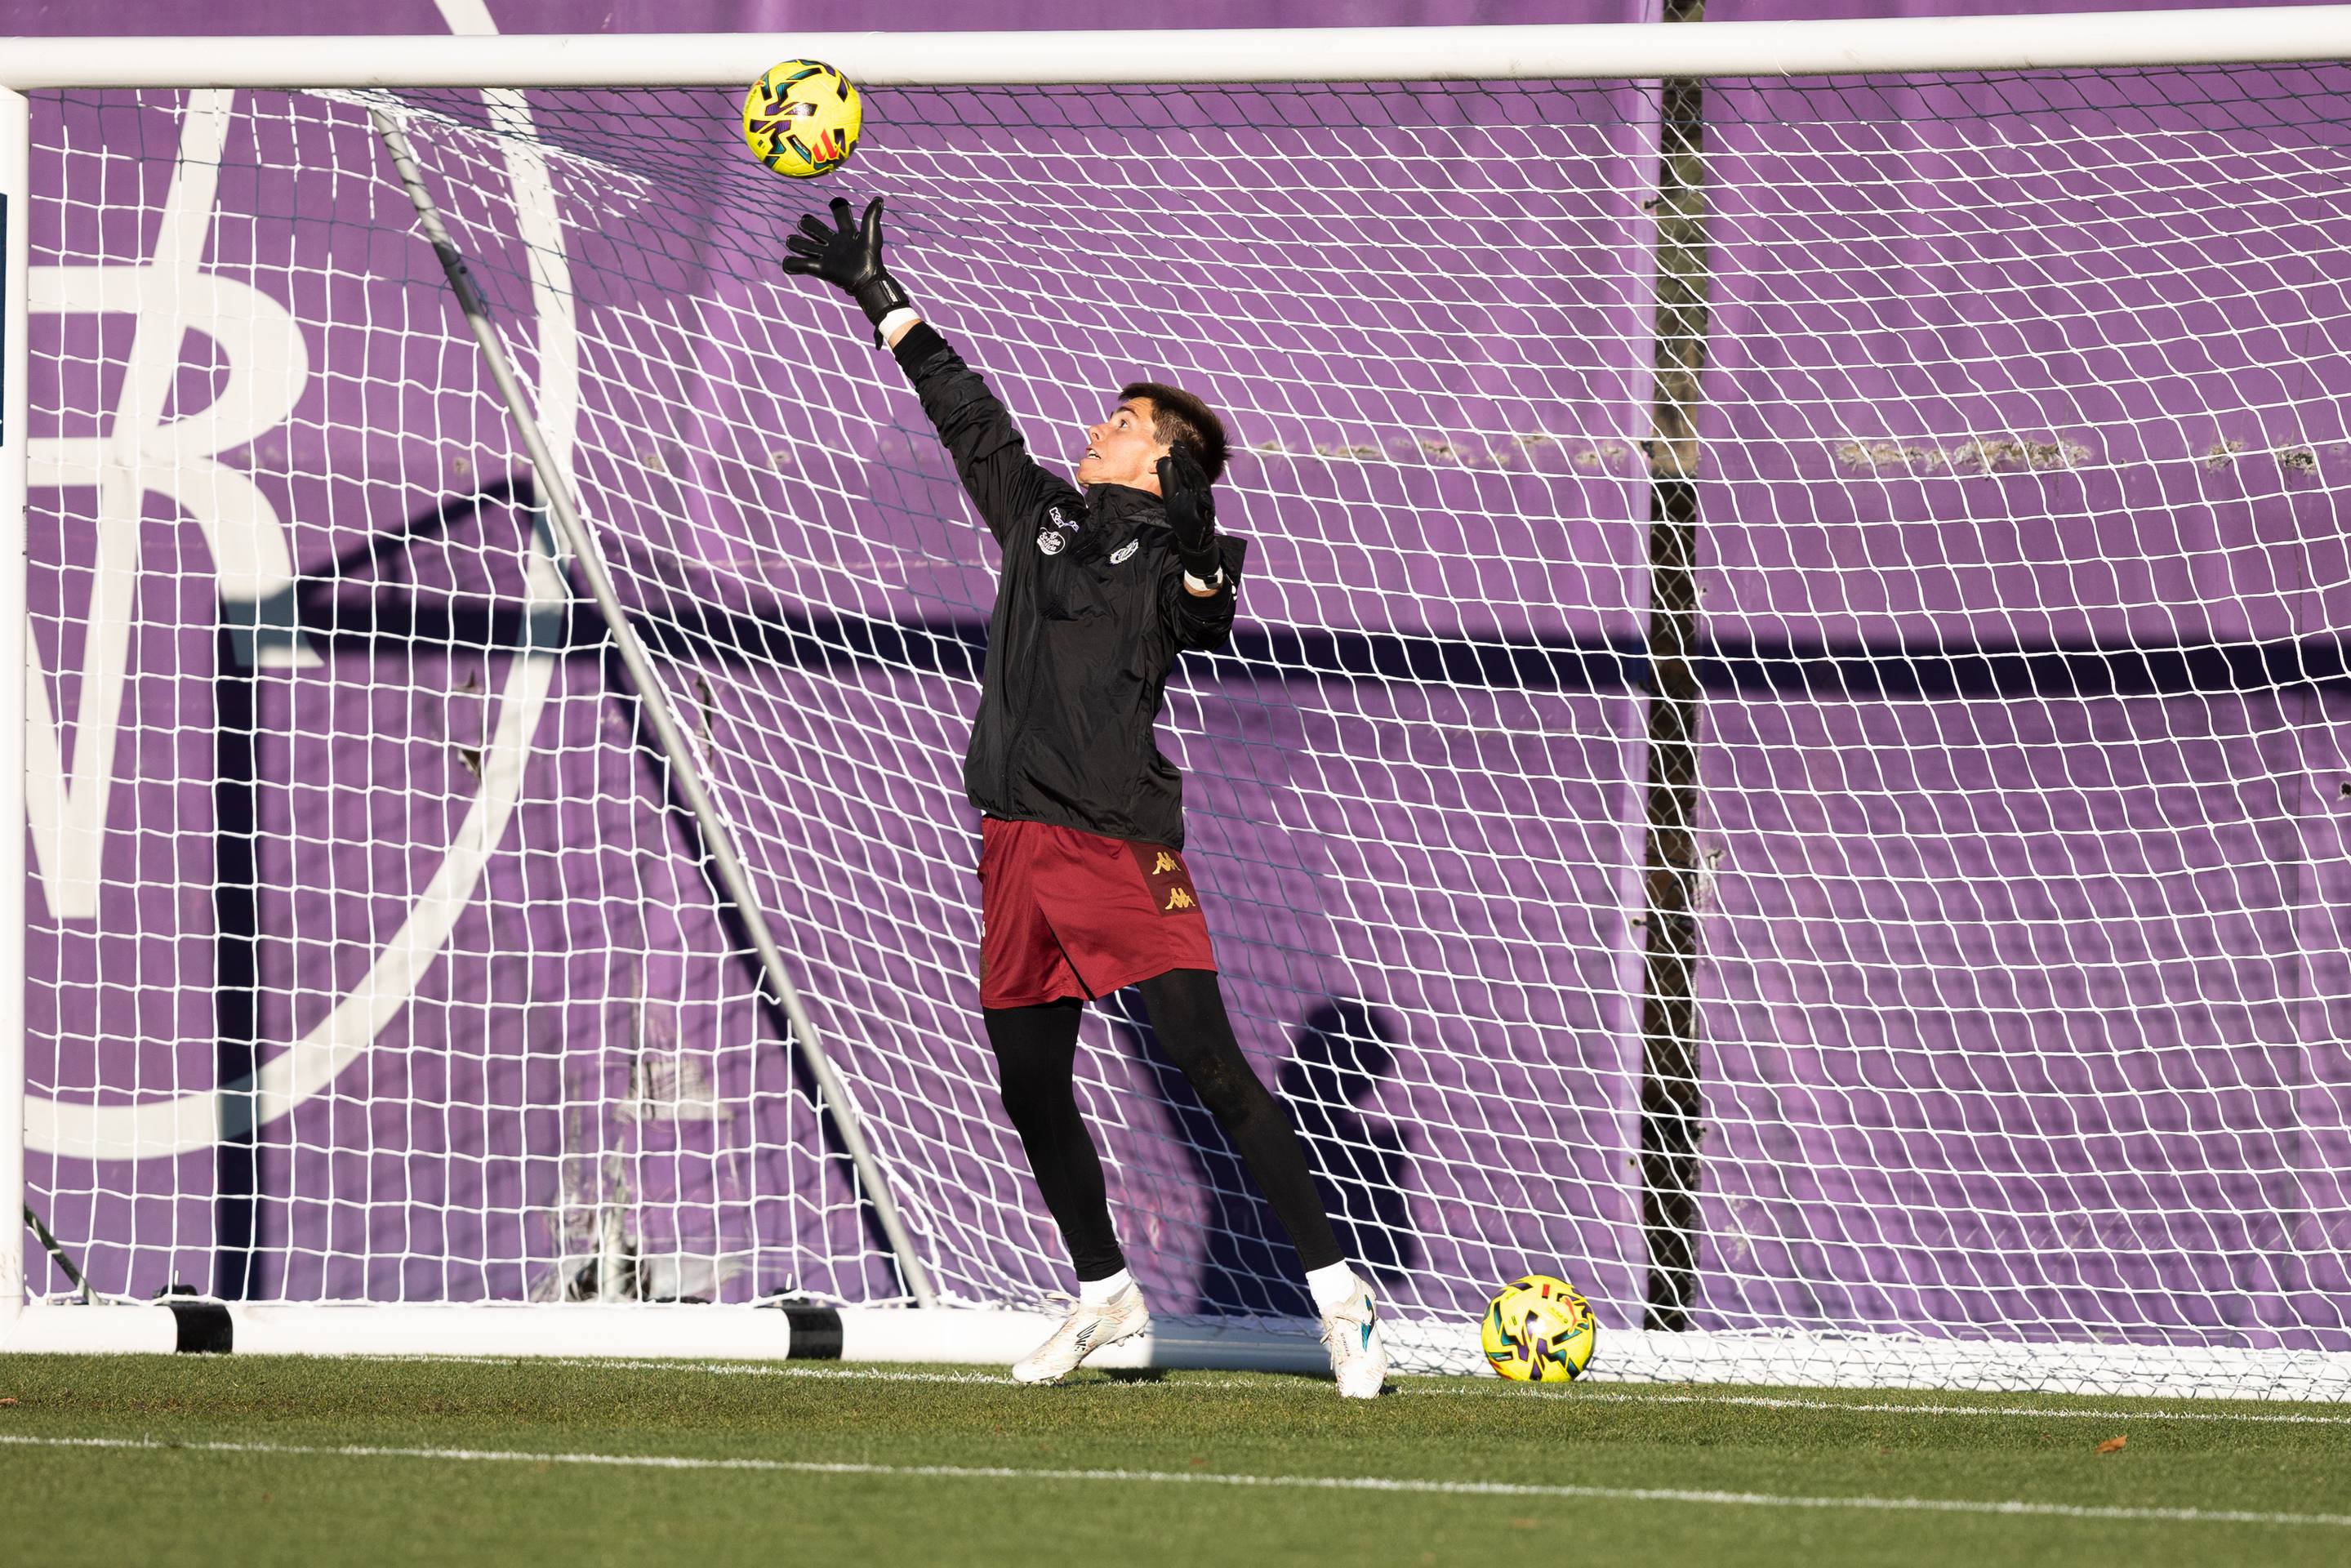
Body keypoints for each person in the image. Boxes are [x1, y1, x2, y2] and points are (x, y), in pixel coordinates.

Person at [783, 196, 1386, 1398]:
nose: (1095, 429)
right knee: (1027, 1083)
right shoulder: (1044, 516)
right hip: (1013, 845)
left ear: (1160, 461)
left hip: (1116, 851)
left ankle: (1340, 1296)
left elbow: (1208, 611)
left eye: (1119, 424)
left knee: (1211, 1069)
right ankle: (1106, 1293)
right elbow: (969, 418)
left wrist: (1205, 545)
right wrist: (878, 298)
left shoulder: (1170, 557)